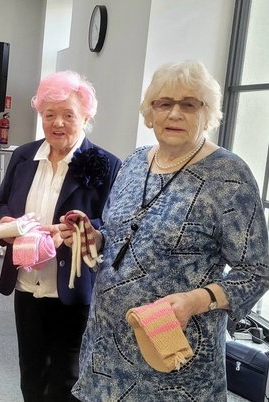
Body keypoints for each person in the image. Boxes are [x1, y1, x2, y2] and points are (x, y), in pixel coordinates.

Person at [59, 61, 269, 401]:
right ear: (150, 111)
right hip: (106, 350)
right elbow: (121, 237)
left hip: (174, 358)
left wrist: (195, 301)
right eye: (164, 103)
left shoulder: (228, 175)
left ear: (207, 112)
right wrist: (94, 239)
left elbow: (257, 270)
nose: (174, 113)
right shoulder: (134, 162)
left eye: (189, 104)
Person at [0, 71, 121, 402]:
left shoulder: (106, 164)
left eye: (68, 115)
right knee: (31, 373)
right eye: (49, 115)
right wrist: (6, 220)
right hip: (27, 282)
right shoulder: (24, 156)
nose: (57, 123)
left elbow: (114, 225)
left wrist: (82, 228)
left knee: (66, 378)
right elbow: (1, 202)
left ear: (86, 116)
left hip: (73, 287)